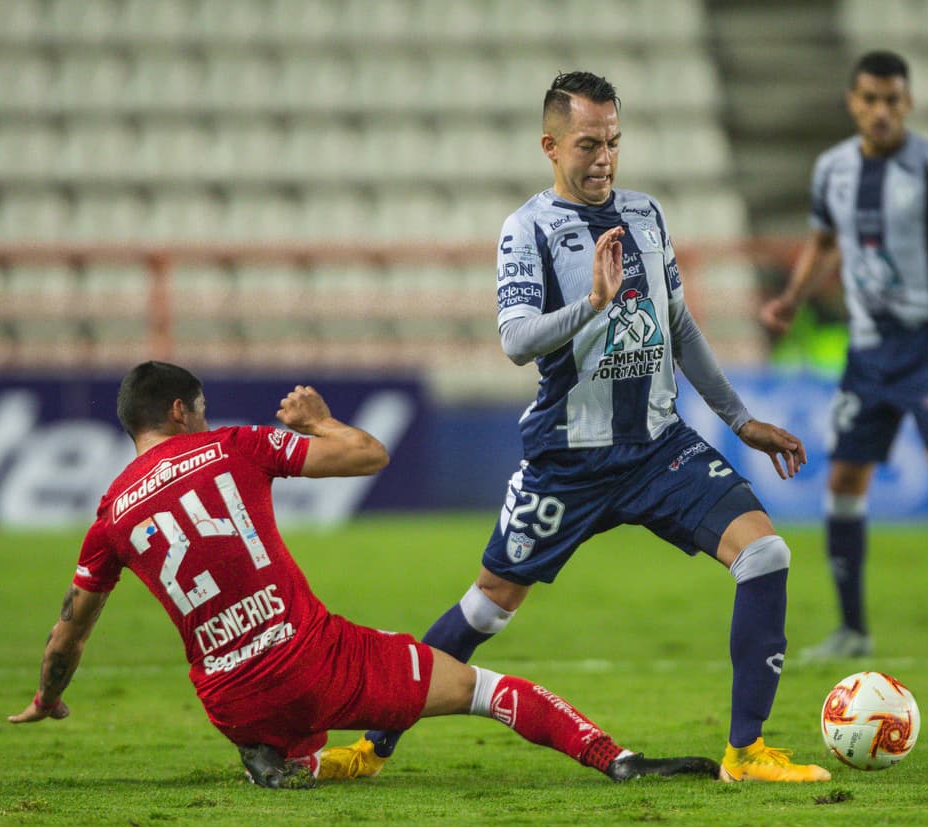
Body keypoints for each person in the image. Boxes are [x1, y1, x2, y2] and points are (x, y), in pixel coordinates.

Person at [320, 71, 830, 783]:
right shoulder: (526, 228)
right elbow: (517, 340)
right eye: (589, 143)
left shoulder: (647, 216)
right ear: (550, 145)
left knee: (765, 555)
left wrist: (740, 420)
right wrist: (592, 303)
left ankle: (746, 752)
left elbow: (678, 324)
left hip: (659, 449)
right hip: (569, 459)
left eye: (614, 142)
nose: (604, 158)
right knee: (489, 604)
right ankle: (371, 747)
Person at [8, 361, 724, 787]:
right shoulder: (232, 445)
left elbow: (67, 637)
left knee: (288, 727)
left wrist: (48, 696)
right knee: (488, 688)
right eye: (195, 409)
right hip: (313, 664)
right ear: (177, 410)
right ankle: (618, 760)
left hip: (229, 701)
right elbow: (368, 454)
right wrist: (319, 420)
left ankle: (283, 757)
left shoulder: (110, 515)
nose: (202, 417)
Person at [759, 50, 928, 663]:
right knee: (845, 478)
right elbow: (824, 242)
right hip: (868, 351)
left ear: (909, 103)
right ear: (853, 102)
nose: (880, 111)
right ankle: (852, 630)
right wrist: (792, 298)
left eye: (892, 100)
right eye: (870, 99)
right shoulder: (833, 170)